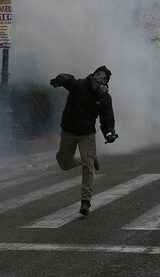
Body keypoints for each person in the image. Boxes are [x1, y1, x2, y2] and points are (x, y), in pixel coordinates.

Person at [50, 66, 117, 216]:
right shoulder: (80, 85)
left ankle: (85, 201)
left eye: (104, 78)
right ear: (93, 75)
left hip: (87, 133)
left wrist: (110, 133)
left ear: (105, 83)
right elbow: (70, 80)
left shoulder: (104, 97)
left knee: (88, 166)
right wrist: (62, 78)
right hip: (69, 131)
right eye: (98, 75)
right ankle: (90, 158)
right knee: (64, 164)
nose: (100, 78)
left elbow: (107, 117)